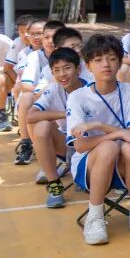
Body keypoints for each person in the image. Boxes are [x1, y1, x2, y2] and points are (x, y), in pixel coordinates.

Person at [66, 34, 130, 246]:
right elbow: (79, 145)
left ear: (120, 62)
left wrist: (100, 126)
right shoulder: (77, 97)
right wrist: (117, 134)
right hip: (89, 166)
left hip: (124, 165)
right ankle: (94, 217)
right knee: (108, 147)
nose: (106, 64)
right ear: (88, 66)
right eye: (98, 60)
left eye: (112, 58)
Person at [26, 47, 87, 208]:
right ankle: (54, 185)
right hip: (67, 145)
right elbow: (30, 116)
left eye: (67, 68)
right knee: (42, 126)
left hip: (91, 145)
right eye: (57, 70)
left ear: (78, 69)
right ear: (52, 73)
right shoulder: (53, 90)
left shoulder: (92, 89)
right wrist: (67, 113)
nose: (62, 74)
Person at [12, 19, 46, 165]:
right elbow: (24, 84)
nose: (36, 37)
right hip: (36, 93)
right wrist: (42, 93)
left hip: (57, 93)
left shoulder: (59, 52)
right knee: (25, 97)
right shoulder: (26, 54)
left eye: (40, 33)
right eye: (33, 34)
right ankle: (26, 144)